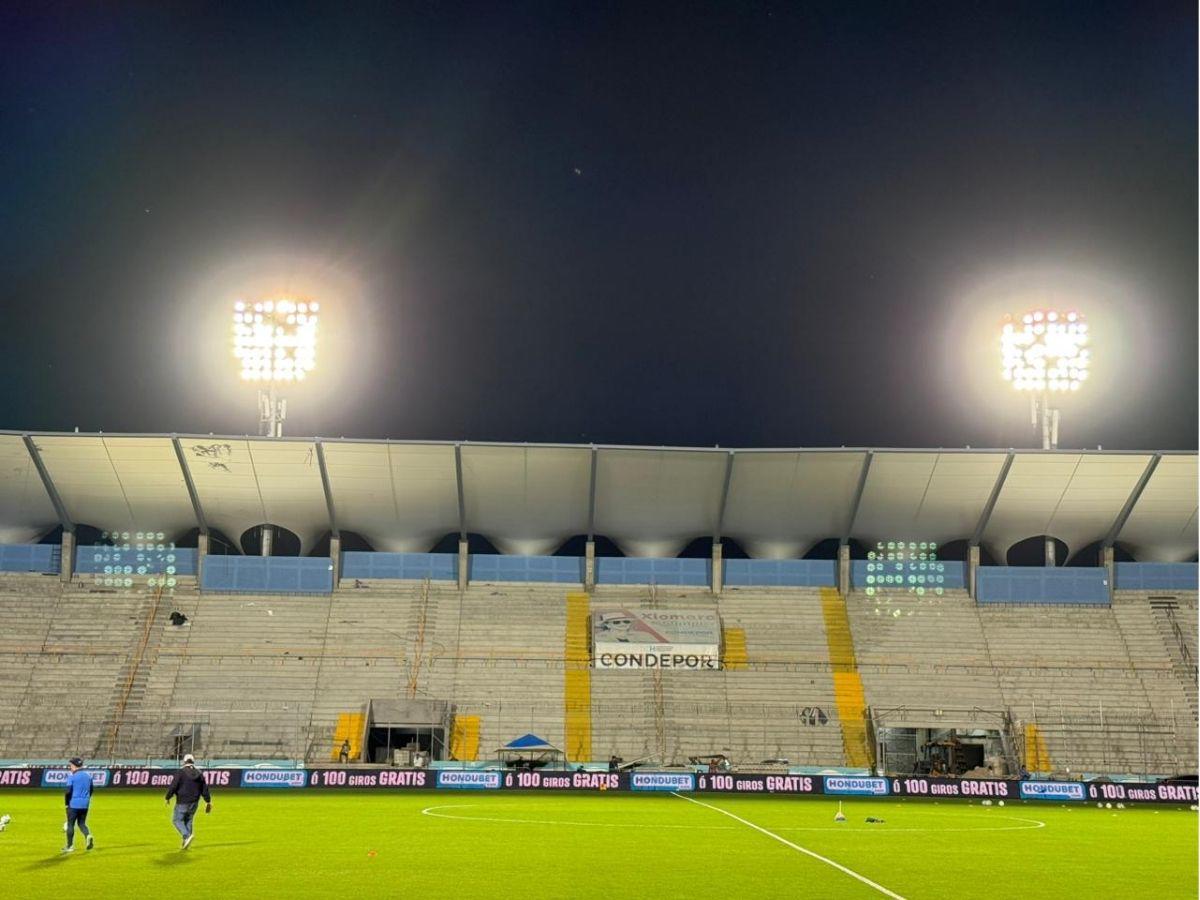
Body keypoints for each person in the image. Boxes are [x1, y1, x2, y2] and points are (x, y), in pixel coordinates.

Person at [164, 754, 211, 849]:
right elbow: (204, 789)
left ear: (184, 762)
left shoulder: (181, 772)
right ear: (193, 762)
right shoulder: (199, 773)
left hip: (182, 801)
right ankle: (186, 842)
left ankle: (187, 836)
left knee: (176, 820)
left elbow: (173, 786)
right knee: (188, 820)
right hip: (194, 802)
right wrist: (208, 801)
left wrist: (168, 797)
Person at [62, 757, 94, 853]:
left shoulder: (72, 777)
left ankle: (70, 846)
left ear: (74, 766)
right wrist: (86, 799)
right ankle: (88, 835)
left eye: (70, 765)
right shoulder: (88, 776)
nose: (70, 767)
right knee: (82, 823)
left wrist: (67, 804)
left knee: (71, 824)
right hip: (85, 804)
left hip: (74, 803)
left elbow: (68, 792)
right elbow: (91, 789)